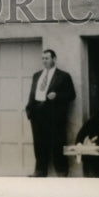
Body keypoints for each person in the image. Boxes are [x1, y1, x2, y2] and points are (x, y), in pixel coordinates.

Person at [25, 48, 76, 177]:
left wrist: (57, 96)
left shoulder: (63, 76)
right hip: (37, 114)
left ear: (54, 59)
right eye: (43, 58)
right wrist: (30, 110)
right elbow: (33, 93)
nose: (44, 61)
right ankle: (40, 171)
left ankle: (61, 171)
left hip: (54, 115)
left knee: (57, 143)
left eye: (47, 58)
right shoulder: (37, 75)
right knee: (39, 144)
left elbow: (72, 95)